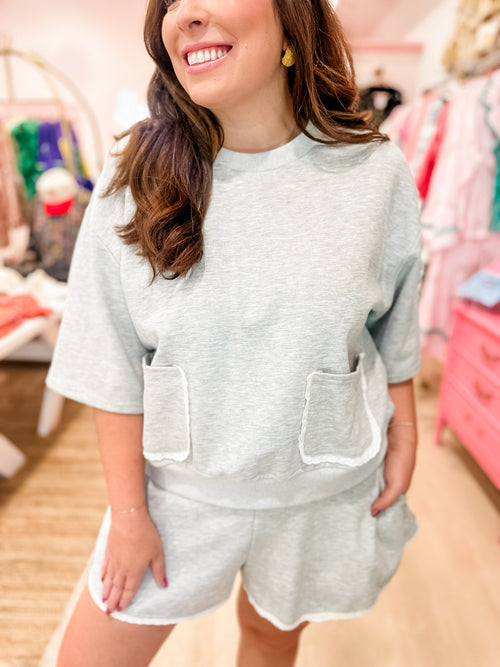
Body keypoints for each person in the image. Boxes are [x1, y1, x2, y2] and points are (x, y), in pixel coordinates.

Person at [47, 1, 423, 665]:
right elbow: (109, 356)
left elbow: (392, 326)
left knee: (271, 640)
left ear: (290, 17)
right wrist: (129, 515)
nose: (185, 15)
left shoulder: (373, 172)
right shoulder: (135, 171)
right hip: (177, 496)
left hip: (320, 491)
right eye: (170, 2)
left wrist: (406, 434)